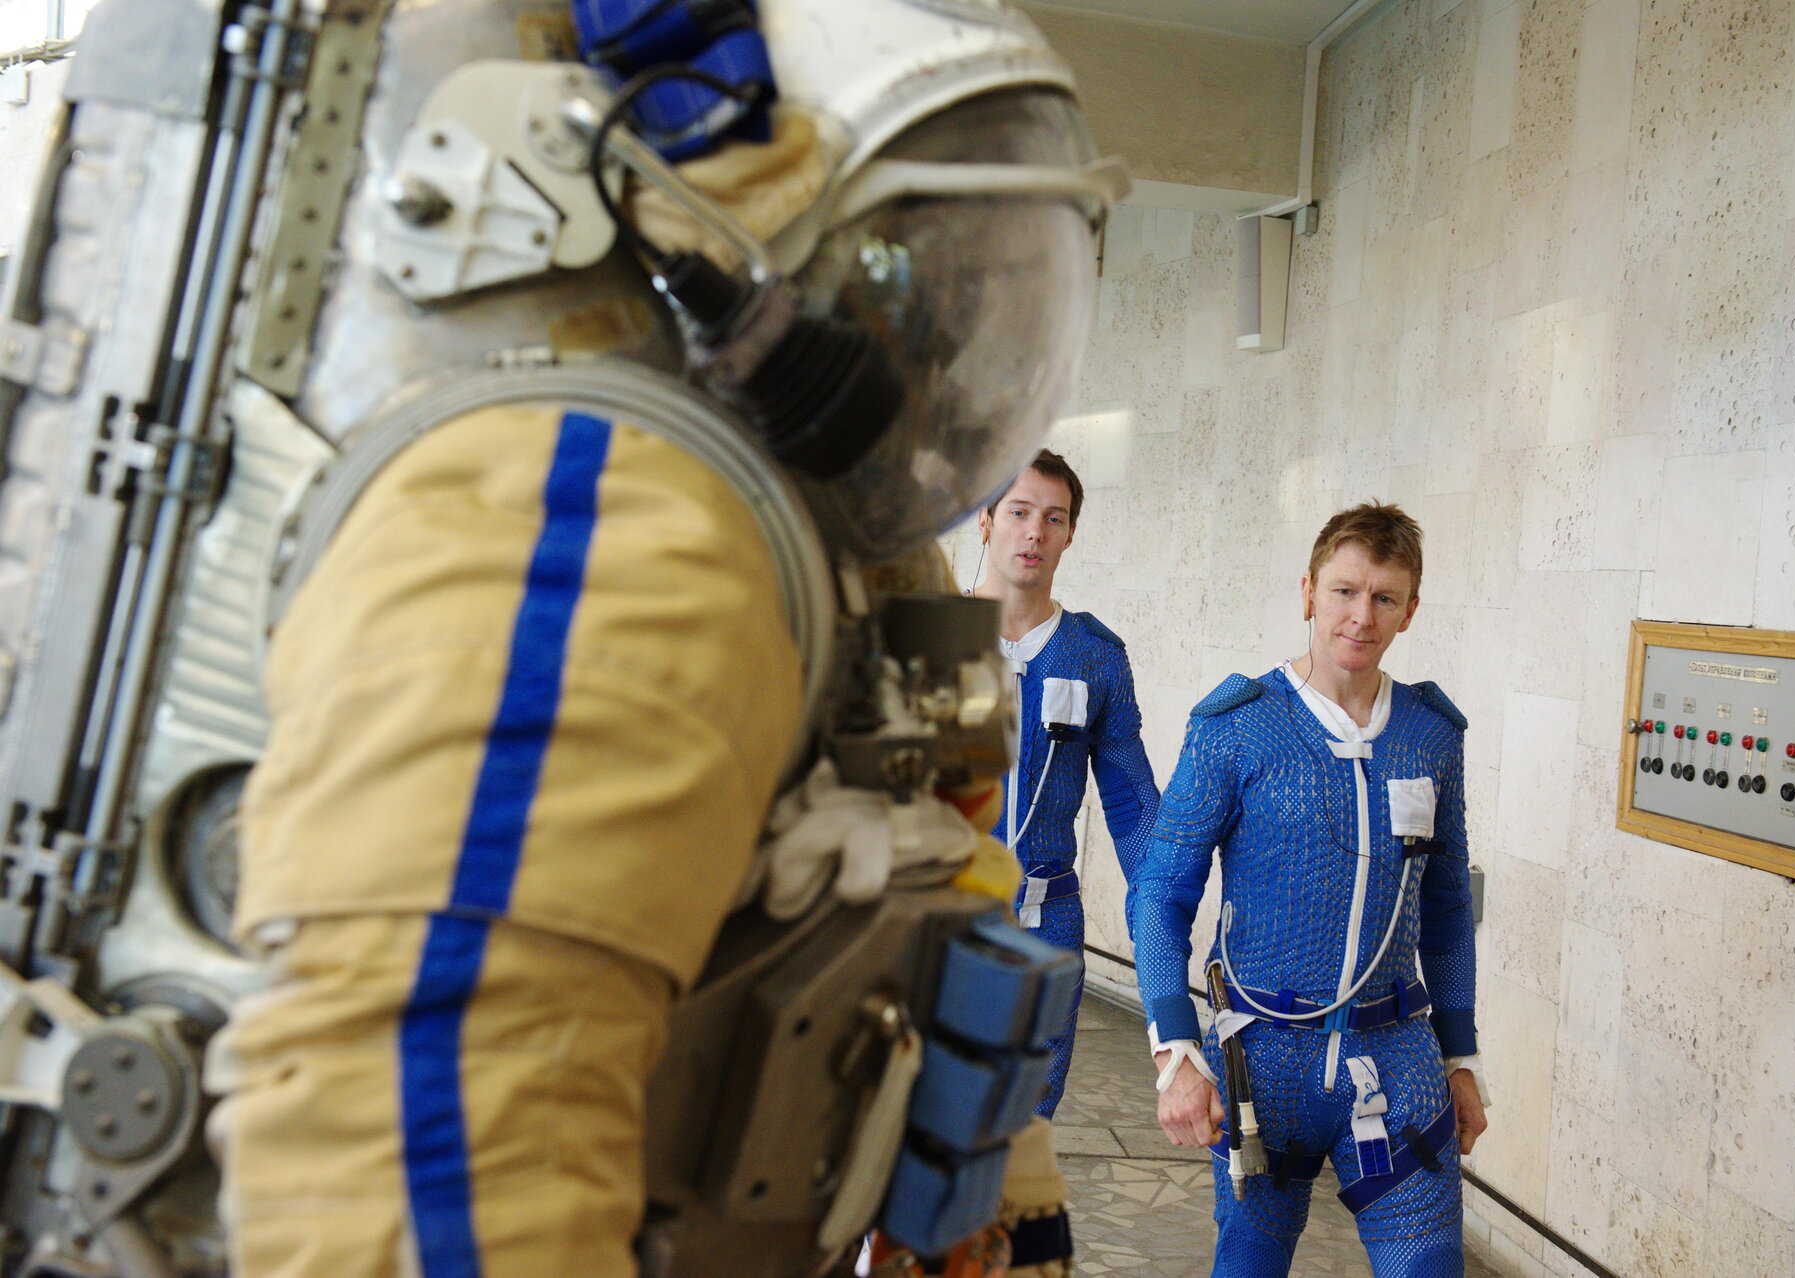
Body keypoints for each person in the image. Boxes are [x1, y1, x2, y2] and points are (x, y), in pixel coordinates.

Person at [0, 1, 1126, 1275]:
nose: (943, 360)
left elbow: (943, 880)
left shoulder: (850, 552)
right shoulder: (611, 532)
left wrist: (997, 1192)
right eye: (920, 277)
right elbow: (425, 1172)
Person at [1129, 503, 1489, 1277]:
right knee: (1250, 1264)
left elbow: (1449, 909)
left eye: (1385, 598)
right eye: (1344, 592)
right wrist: (1175, 1048)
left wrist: (1461, 1057)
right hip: (1267, 1062)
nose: (1361, 617)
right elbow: (1159, 892)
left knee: (1429, 1266)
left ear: (1410, 610)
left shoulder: (1431, 734)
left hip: (1399, 1063)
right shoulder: (1236, 726)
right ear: (1308, 593)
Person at [970, 450, 1161, 1120]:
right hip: (941, 919)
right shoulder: (932, 640)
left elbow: (1135, 812)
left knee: (1021, 1132)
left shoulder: (1094, 655)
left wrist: (1162, 917)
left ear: (1071, 533)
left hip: (1046, 924)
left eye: (1054, 519)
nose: (1034, 533)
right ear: (986, 521)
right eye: (1019, 513)